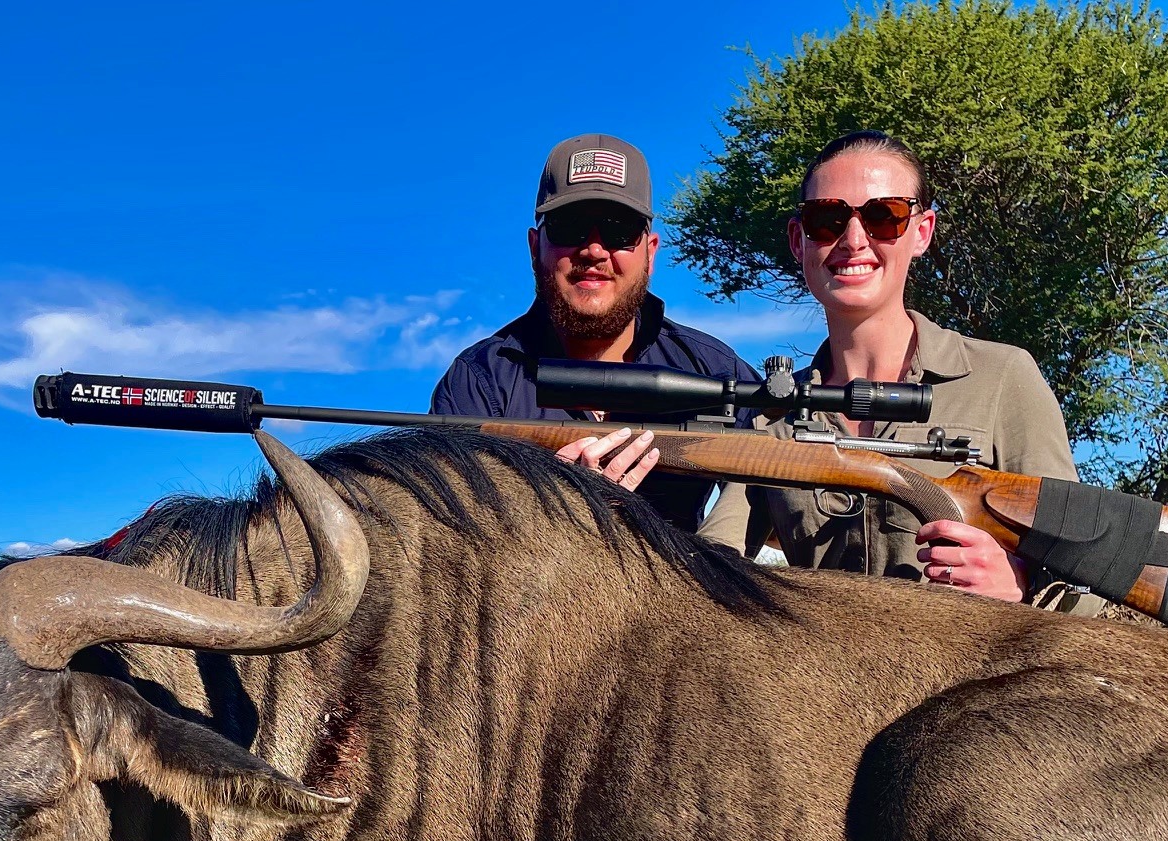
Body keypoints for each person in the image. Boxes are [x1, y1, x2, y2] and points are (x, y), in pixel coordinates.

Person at [698, 130, 1093, 610]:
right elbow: (710, 568)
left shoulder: (1002, 375)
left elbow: (1086, 571)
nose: (854, 240)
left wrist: (1021, 583)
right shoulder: (772, 416)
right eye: (827, 219)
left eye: (884, 217)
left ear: (922, 232)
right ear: (798, 240)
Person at [431, 133, 762, 534]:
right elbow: (448, 542)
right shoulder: (478, 380)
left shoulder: (715, 369)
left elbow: (782, 506)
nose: (593, 250)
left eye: (619, 230)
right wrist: (551, 512)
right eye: (569, 226)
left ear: (650, 251)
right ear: (535, 247)